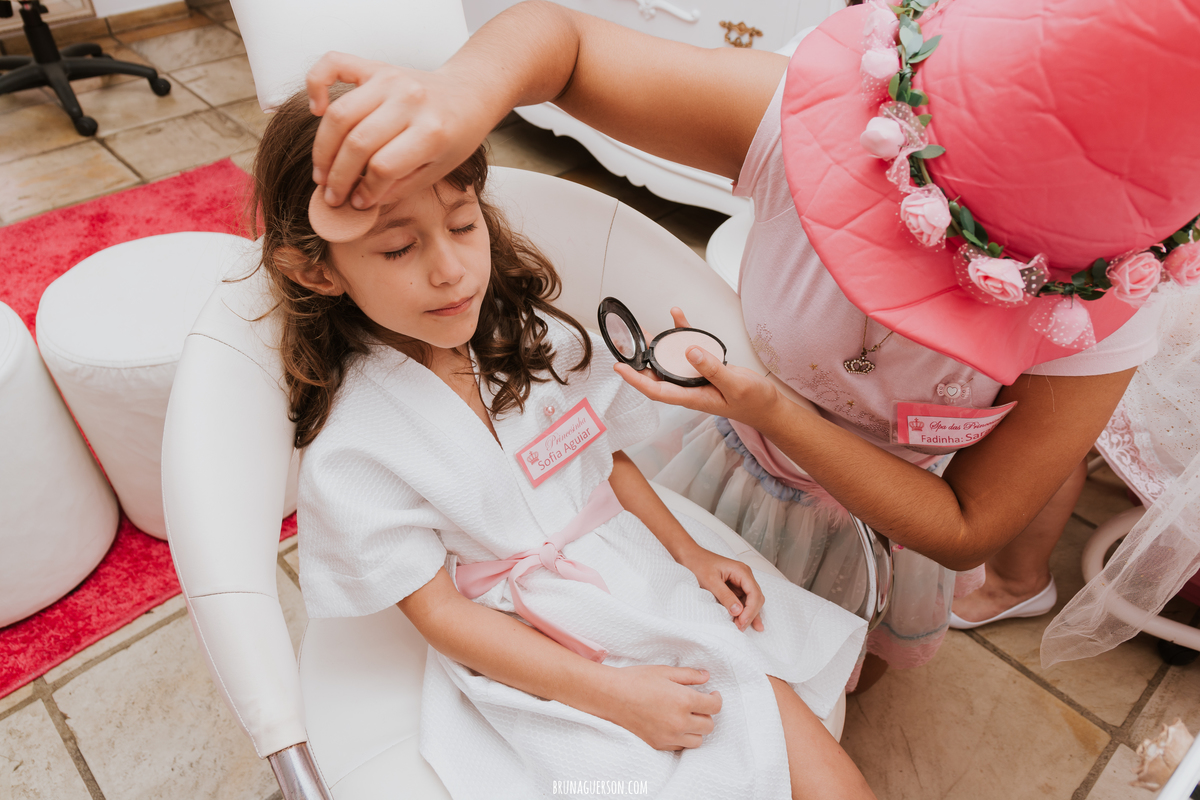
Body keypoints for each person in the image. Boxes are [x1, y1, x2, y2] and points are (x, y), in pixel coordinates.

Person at [299, 0, 1200, 689]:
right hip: (710, 461)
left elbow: (967, 529)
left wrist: (775, 409)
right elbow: (562, 43)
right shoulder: (795, 116)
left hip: (886, 528)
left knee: (835, 678)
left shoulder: (1108, 320)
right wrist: (465, 90)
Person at [252, 88, 873, 799]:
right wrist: (615, 696)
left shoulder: (528, 338)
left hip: (635, 573)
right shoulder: (356, 450)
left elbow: (600, 461)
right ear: (317, 270)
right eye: (397, 247)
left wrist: (690, 551)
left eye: (462, 224)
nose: (450, 269)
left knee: (786, 730)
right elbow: (445, 617)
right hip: (529, 643)